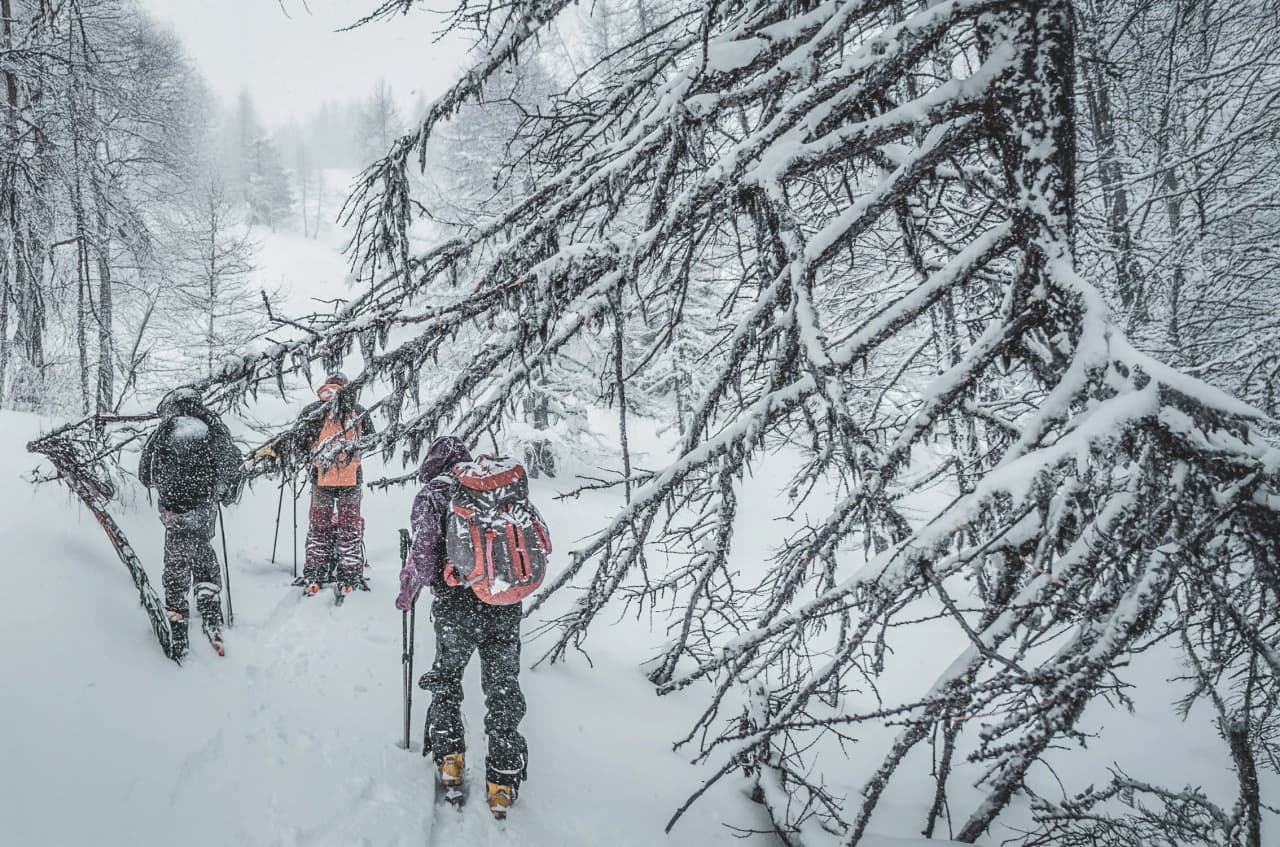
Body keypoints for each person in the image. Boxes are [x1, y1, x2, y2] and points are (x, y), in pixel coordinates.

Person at [396, 436, 529, 819]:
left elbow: (422, 558)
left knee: (447, 679)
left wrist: (411, 591)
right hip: (502, 600)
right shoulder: (497, 489)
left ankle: (450, 761)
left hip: (456, 606)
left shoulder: (434, 493)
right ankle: (502, 780)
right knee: (503, 687)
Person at [138, 387, 243, 657]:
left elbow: (144, 472)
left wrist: (162, 484)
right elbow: (230, 461)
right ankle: (209, 603)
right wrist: (223, 492)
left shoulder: (166, 428)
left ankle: (176, 614)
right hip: (204, 504)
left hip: (173, 508)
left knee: (176, 557)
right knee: (201, 548)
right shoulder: (210, 424)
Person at [255, 372, 376, 598]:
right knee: (349, 526)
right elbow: (371, 440)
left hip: (321, 479)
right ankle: (349, 574)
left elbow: (299, 443)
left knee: (319, 527)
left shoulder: (313, 410)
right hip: (351, 479)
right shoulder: (358, 411)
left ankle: (315, 572)